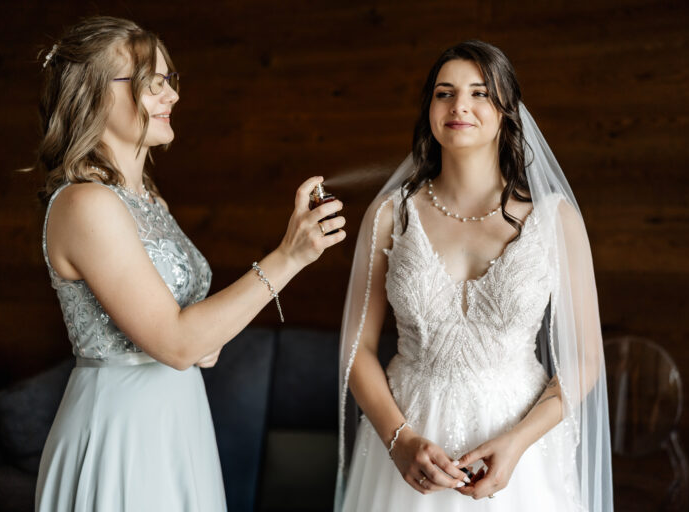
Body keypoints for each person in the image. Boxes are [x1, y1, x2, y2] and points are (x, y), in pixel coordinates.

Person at [31, 16, 346, 511]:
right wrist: (289, 256)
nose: (172, 95)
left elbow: (189, 337)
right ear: (91, 95)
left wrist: (205, 340)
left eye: (169, 80)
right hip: (124, 430)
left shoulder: (149, 201)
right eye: (151, 82)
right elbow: (176, 343)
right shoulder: (85, 204)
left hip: (179, 416)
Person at [336, 41, 613, 511]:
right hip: (406, 437)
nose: (459, 105)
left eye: (480, 93)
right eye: (444, 93)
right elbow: (356, 347)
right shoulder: (389, 215)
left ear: (507, 110)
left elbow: (585, 359)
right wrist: (399, 439)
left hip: (521, 449)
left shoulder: (555, 220)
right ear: (429, 109)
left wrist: (519, 442)